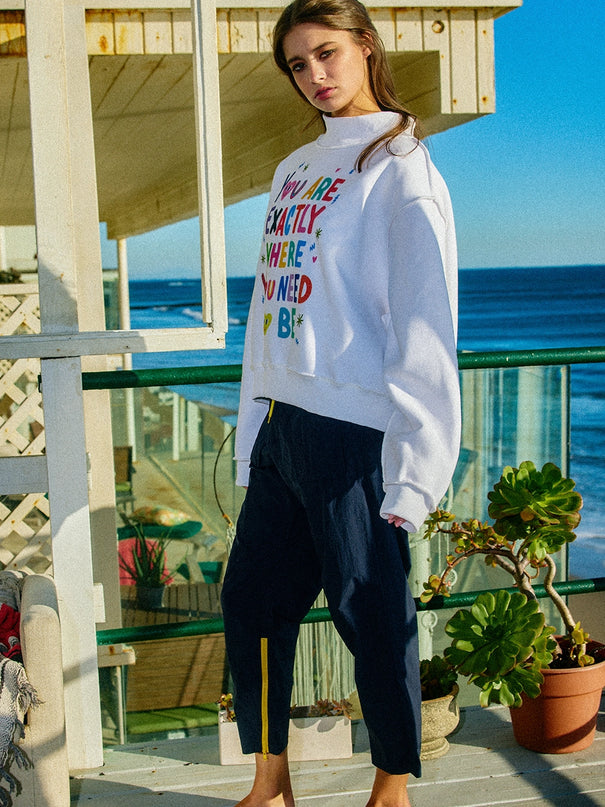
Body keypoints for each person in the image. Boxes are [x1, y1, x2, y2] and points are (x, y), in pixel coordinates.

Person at [220, 1, 461, 804]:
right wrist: (253, 431)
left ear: (365, 48)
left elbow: (426, 325)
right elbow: (269, 309)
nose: (314, 75)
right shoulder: (294, 168)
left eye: (327, 53)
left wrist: (416, 474)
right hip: (284, 425)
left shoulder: (402, 170)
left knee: (371, 615)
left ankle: (391, 783)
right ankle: (270, 779)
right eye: (298, 63)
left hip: (356, 433)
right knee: (251, 604)